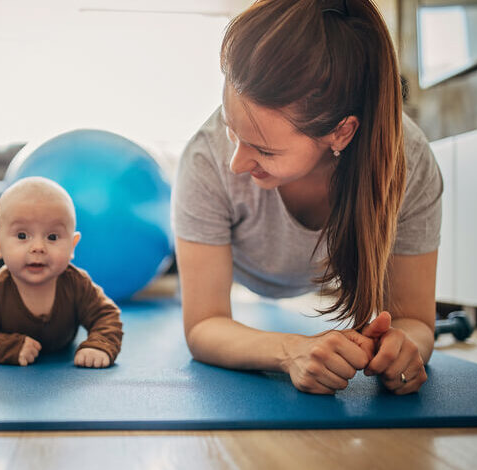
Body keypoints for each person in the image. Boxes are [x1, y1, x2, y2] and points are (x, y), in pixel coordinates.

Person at [172, 0, 442, 395]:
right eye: (232, 130)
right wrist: (290, 351)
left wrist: (405, 348)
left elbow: (415, 321)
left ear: (342, 133)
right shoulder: (204, 158)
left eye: (264, 151)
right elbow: (202, 325)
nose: (235, 163)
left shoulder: (409, 162)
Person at [0, 177, 123, 368]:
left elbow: (106, 316)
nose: (38, 247)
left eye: (52, 237)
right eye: (22, 236)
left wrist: (100, 345)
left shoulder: (77, 284)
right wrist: (8, 347)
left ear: (72, 246)